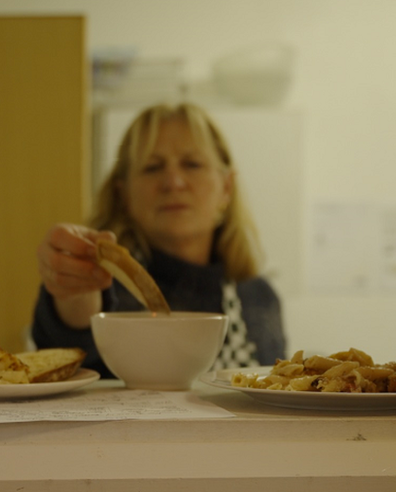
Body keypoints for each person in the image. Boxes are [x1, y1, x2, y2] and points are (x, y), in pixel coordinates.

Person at [31, 102, 286, 378]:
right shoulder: (106, 290)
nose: (173, 182)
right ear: (124, 194)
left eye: (192, 164)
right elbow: (70, 355)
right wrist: (75, 289)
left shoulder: (259, 298)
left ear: (226, 187)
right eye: (153, 167)